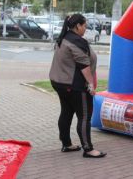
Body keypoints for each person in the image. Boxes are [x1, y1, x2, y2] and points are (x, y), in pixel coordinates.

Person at [49, 14, 106, 158]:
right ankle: (88, 149)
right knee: (85, 116)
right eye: (85, 26)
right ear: (78, 26)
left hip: (59, 82)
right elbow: (84, 67)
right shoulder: (77, 42)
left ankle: (66, 144)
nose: (85, 29)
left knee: (66, 112)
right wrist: (91, 85)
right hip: (74, 85)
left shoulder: (65, 37)